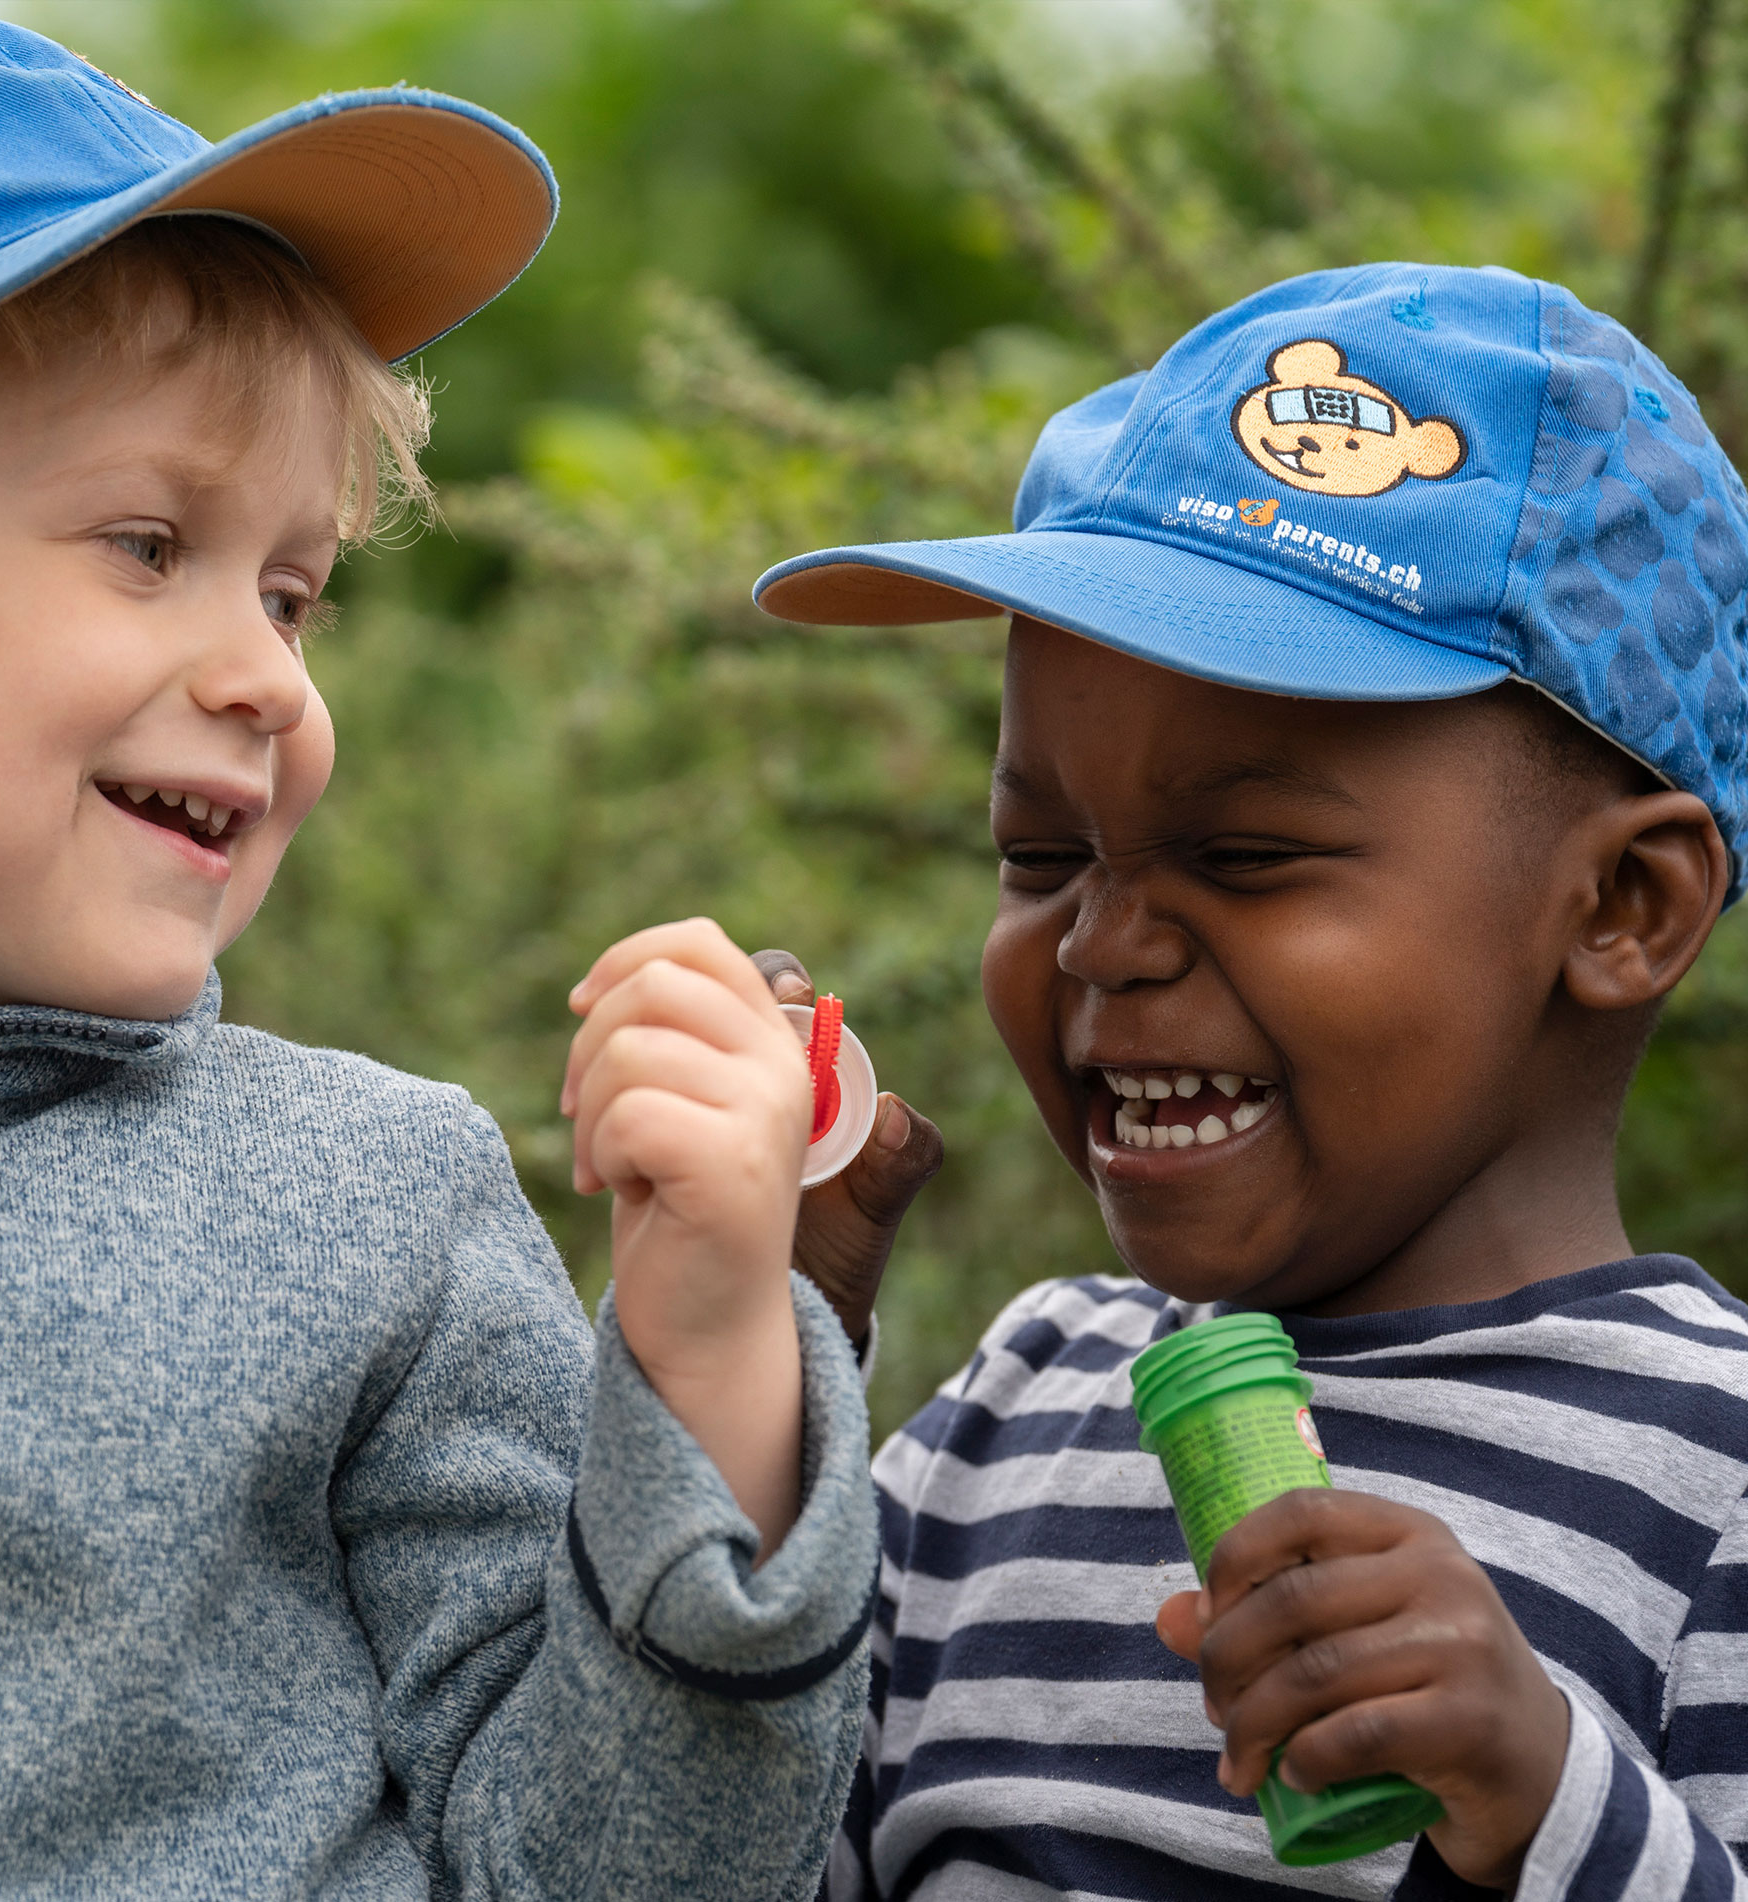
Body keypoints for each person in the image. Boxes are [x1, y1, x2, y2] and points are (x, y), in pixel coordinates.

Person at [0, 9, 928, 1895]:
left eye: (292, 588)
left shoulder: (379, 1209)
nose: (270, 674)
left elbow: (614, 1864)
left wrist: (705, 1370)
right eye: (144, 542)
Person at [746, 262, 1748, 1899]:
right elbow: (707, 1842)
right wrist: (752, 1358)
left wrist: (1548, 1794)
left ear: (1624, 907)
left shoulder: (1715, 1479)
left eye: (1248, 852)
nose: (1102, 942)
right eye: (1040, 852)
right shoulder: (1013, 1411)